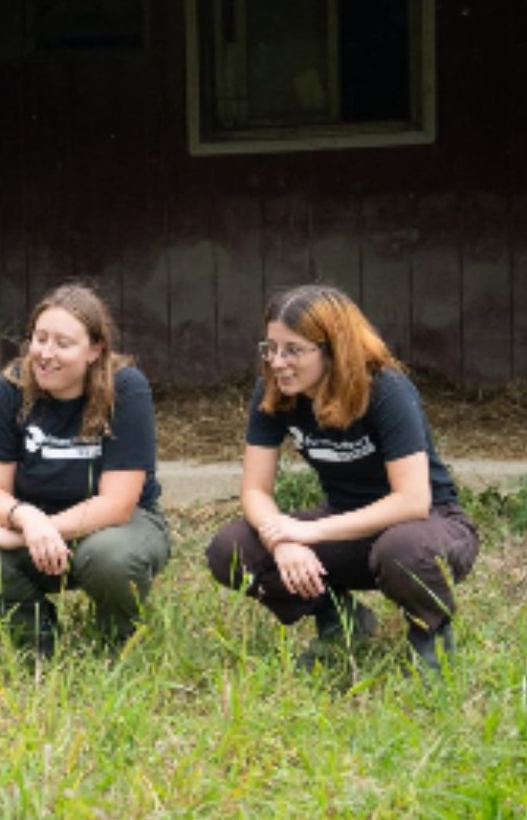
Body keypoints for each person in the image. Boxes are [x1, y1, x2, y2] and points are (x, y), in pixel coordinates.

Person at [203, 284, 481, 674]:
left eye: (293, 350)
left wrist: (309, 533)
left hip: (428, 525)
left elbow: (413, 501)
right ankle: (341, 623)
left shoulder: (385, 388)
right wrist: (280, 540)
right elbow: (254, 490)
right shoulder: (274, 391)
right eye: (270, 348)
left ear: (332, 348)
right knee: (230, 548)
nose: (277, 362)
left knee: (403, 548)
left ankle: (430, 639)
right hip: (345, 524)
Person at [0, 283, 172, 658]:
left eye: (63, 343)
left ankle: (117, 641)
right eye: (40, 338)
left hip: (116, 527)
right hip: (34, 525)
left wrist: (27, 536)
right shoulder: (9, 389)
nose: (46, 354)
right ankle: (36, 637)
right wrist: (27, 518)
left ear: (95, 350)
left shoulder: (126, 389)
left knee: (110, 557)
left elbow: (117, 504)